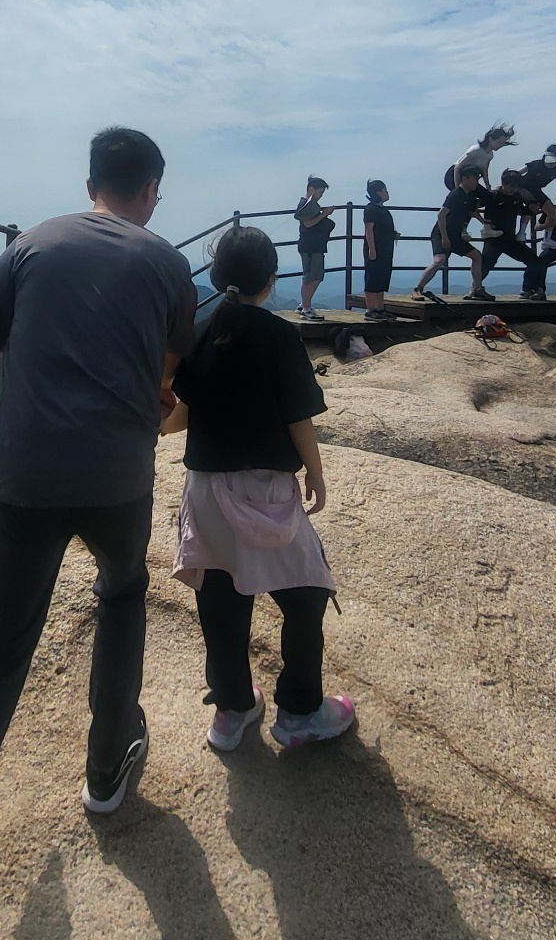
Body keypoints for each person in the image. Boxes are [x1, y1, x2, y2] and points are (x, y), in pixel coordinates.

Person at [0, 128, 198, 940]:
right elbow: (172, 381)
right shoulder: (169, 265)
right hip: (116, 481)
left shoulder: (27, 248)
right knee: (122, 596)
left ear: (91, 181)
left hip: (24, 482)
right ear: (149, 192)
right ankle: (107, 773)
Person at [163, 225, 356, 752]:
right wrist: (315, 472)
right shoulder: (278, 335)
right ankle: (300, 711)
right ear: (270, 281)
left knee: (221, 598)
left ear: (219, 275)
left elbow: (180, 416)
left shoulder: (198, 331)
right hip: (265, 490)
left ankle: (231, 709)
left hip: (206, 491)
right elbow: (299, 417)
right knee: (306, 593)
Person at [414, 167, 489, 300]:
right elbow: (441, 215)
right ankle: (417, 289)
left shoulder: (471, 196)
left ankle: (478, 289)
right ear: (464, 178)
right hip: (442, 233)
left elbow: (472, 212)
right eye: (474, 179)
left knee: (477, 256)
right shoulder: (455, 194)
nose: (476, 182)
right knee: (439, 260)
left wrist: (484, 222)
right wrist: (444, 237)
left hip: (456, 236)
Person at [479, 169, 553, 300]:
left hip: (509, 238)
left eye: (516, 186)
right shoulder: (493, 195)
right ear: (504, 183)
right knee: (486, 264)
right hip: (493, 238)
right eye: (511, 186)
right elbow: (476, 207)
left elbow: (522, 211)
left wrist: (532, 209)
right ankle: (475, 289)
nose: (513, 189)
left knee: (534, 260)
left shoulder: (517, 197)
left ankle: (530, 289)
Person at [294, 177, 334, 320]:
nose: (321, 195)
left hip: (316, 246)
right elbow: (308, 224)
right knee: (310, 277)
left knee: (317, 276)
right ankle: (306, 308)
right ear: (311, 190)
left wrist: (323, 212)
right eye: (320, 192)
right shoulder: (304, 205)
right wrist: (324, 215)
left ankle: (304, 304)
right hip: (310, 246)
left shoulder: (311, 205)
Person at [362, 180, 398, 321]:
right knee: (372, 278)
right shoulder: (370, 209)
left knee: (382, 278)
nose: (387, 193)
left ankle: (380, 307)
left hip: (385, 248)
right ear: (378, 193)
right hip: (376, 248)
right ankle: (371, 309)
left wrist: (393, 234)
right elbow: (368, 229)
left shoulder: (382, 210)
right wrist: (372, 249)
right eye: (384, 190)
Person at [444, 123, 516, 191]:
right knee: (466, 196)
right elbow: (457, 168)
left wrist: (488, 186)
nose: (500, 145)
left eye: (502, 143)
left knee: (486, 196)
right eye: (499, 142)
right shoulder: (475, 150)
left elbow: (484, 171)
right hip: (454, 176)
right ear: (490, 139)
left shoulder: (490, 155)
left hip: (470, 178)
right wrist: (457, 189)